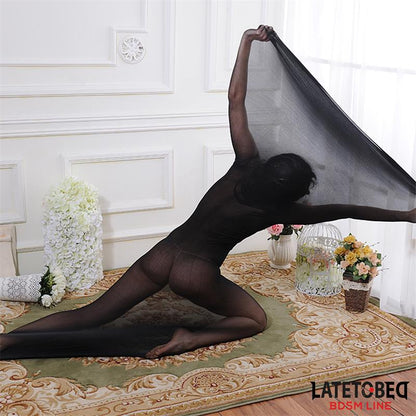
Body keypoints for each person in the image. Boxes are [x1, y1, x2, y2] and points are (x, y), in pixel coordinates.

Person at [1, 26, 415, 359]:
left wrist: (246, 42)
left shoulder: (244, 163)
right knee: (254, 320)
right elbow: (354, 207)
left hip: (161, 255)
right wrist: (405, 214)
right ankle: (190, 338)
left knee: (91, 313)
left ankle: (6, 341)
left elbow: (236, 99)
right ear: (295, 191)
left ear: (270, 167)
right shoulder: (287, 211)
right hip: (195, 274)